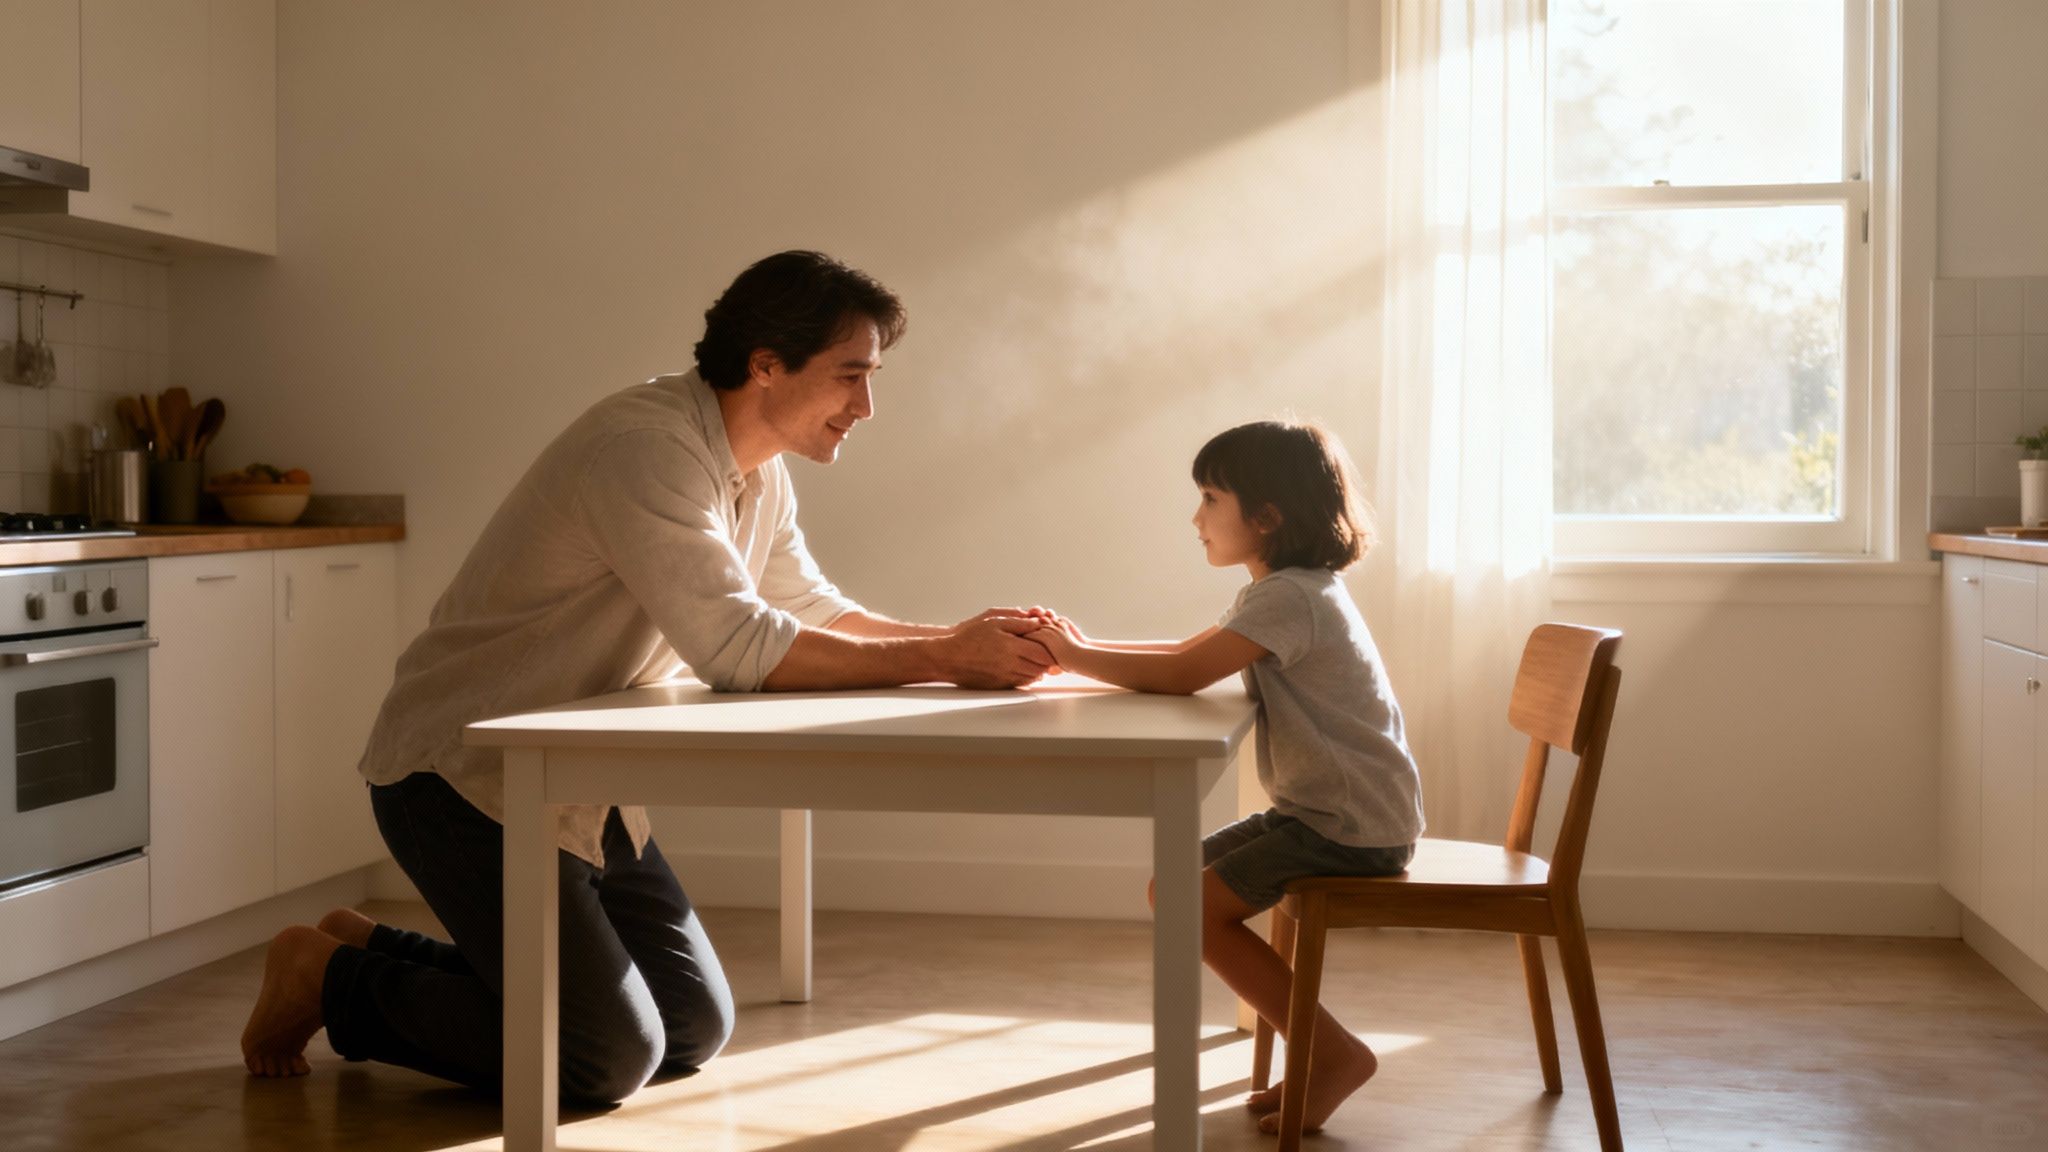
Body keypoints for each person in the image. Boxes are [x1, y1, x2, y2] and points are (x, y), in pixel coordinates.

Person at [239, 250, 1059, 1104]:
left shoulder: (758, 469)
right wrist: (946, 658)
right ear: (766, 363)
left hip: (580, 780)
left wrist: (966, 647)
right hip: (463, 777)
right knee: (604, 1058)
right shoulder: (646, 449)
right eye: (851, 376)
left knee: (692, 1028)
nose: (867, 406)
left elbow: (805, 608)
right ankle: (330, 982)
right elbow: (740, 647)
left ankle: (365, 952)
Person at [1026, 419, 1423, 1136]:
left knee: (1188, 906)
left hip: (1344, 826)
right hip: (1334, 813)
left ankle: (1333, 1053)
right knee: (1171, 890)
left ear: (1266, 517)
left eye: (1211, 498)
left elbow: (1181, 674)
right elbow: (1189, 652)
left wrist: (1075, 656)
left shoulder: (1289, 598)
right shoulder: (1291, 590)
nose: (1196, 517)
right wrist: (1077, 649)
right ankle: (1321, 1051)